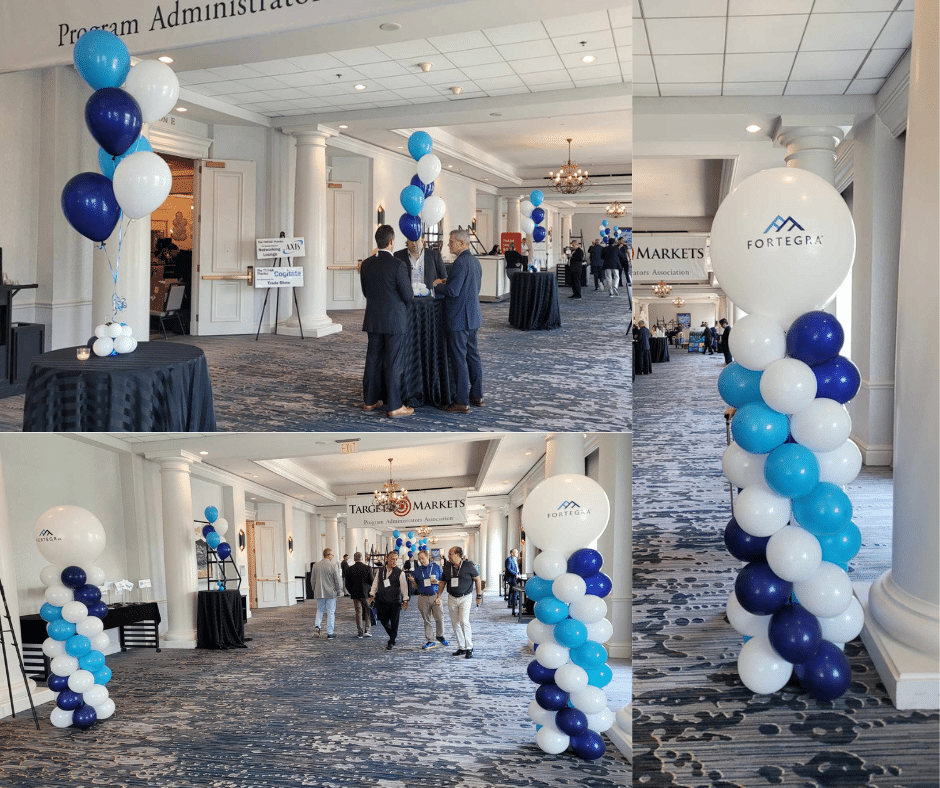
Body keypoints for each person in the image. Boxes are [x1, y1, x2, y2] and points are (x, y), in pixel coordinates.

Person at [359, 224, 414, 418]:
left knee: (373, 359)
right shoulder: (398, 265)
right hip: (394, 321)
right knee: (393, 362)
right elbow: (408, 296)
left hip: (373, 319)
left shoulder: (365, 264)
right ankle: (395, 406)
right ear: (391, 242)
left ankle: (370, 401)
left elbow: (366, 293)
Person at [434, 229, 483, 414]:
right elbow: (471, 287)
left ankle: (462, 401)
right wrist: (449, 281)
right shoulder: (474, 261)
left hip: (459, 319)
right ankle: (477, 396)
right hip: (473, 316)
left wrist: (438, 285)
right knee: (472, 356)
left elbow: (453, 291)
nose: (449, 244)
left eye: (452, 241)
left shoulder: (460, 263)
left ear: (462, 243)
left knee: (459, 359)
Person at [435, 545, 482, 658]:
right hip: (452, 597)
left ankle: (469, 647)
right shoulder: (447, 566)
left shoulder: (468, 565)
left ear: (458, 555)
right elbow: (442, 582)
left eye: (450, 554)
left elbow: (477, 579)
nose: (448, 556)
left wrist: (479, 596)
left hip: (465, 597)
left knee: (464, 621)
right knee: (455, 623)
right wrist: (438, 596)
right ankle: (462, 647)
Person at [369, 550, 410, 650]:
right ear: (387, 559)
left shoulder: (400, 573)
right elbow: (375, 583)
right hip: (382, 600)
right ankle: (393, 634)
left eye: (396, 559)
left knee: (394, 622)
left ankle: (391, 641)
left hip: (395, 602)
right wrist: (371, 594)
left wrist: (405, 600)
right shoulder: (380, 570)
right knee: (383, 620)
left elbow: (404, 588)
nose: (394, 561)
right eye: (392, 559)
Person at [411, 549, 447, 650]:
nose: (421, 561)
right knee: (427, 620)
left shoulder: (436, 568)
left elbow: (443, 583)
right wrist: (413, 582)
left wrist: (439, 590)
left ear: (428, 557)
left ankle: (440, 635)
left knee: (439, 618)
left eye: (422, 558)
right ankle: (430, 640)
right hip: (422, 597)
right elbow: (415, 587)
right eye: (419, 559)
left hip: (435, 596)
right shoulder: (417, 571)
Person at [311, 547, 343, 639]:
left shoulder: (315, 565)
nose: (332, 557)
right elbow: (337, 580)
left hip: (319, 591)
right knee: (330, 612)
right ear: (328, 555)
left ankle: (317, 626)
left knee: (320, 609)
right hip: (330, 593)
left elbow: (312, 580)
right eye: (332, 555)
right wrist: (339, 590)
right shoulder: (333, 565)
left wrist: (314, 589)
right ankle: (330, 633)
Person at [345, 552, 374, 638]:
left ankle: (360, 632)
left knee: (358, 612)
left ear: (354, 559)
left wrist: (351, 591)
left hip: (355, 594)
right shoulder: (368, 568)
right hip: (366, 594)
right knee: (367, 611)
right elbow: (372, 581)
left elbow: (347, 584)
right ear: (362, 558)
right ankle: (367, 630)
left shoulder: (350, 569)